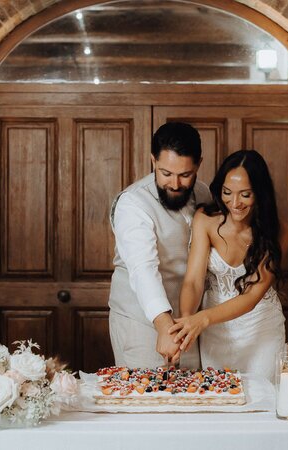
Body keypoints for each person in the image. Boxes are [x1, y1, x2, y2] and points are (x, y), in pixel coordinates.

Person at [168, 149, 288, 380]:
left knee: (262, 400)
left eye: (245, 195)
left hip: (260, 327)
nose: (234, 203)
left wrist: (201, 319)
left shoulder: (282, 231)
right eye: (227, 192)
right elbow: (194, 281)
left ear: (260, 193)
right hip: (215, 330)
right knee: (220, 401)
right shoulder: (205, 219)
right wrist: (188, 323)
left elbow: (251, 296)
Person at [108, 122, 211, 369]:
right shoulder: (133, 203)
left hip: (190, 322)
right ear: (153, 161)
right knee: (146, 402)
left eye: (185, 175)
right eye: (166, 173)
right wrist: (165, 326)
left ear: (198, 164)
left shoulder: (205, 194)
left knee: (192, 401)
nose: (175, 184)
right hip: (142, 322)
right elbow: (143, 270)